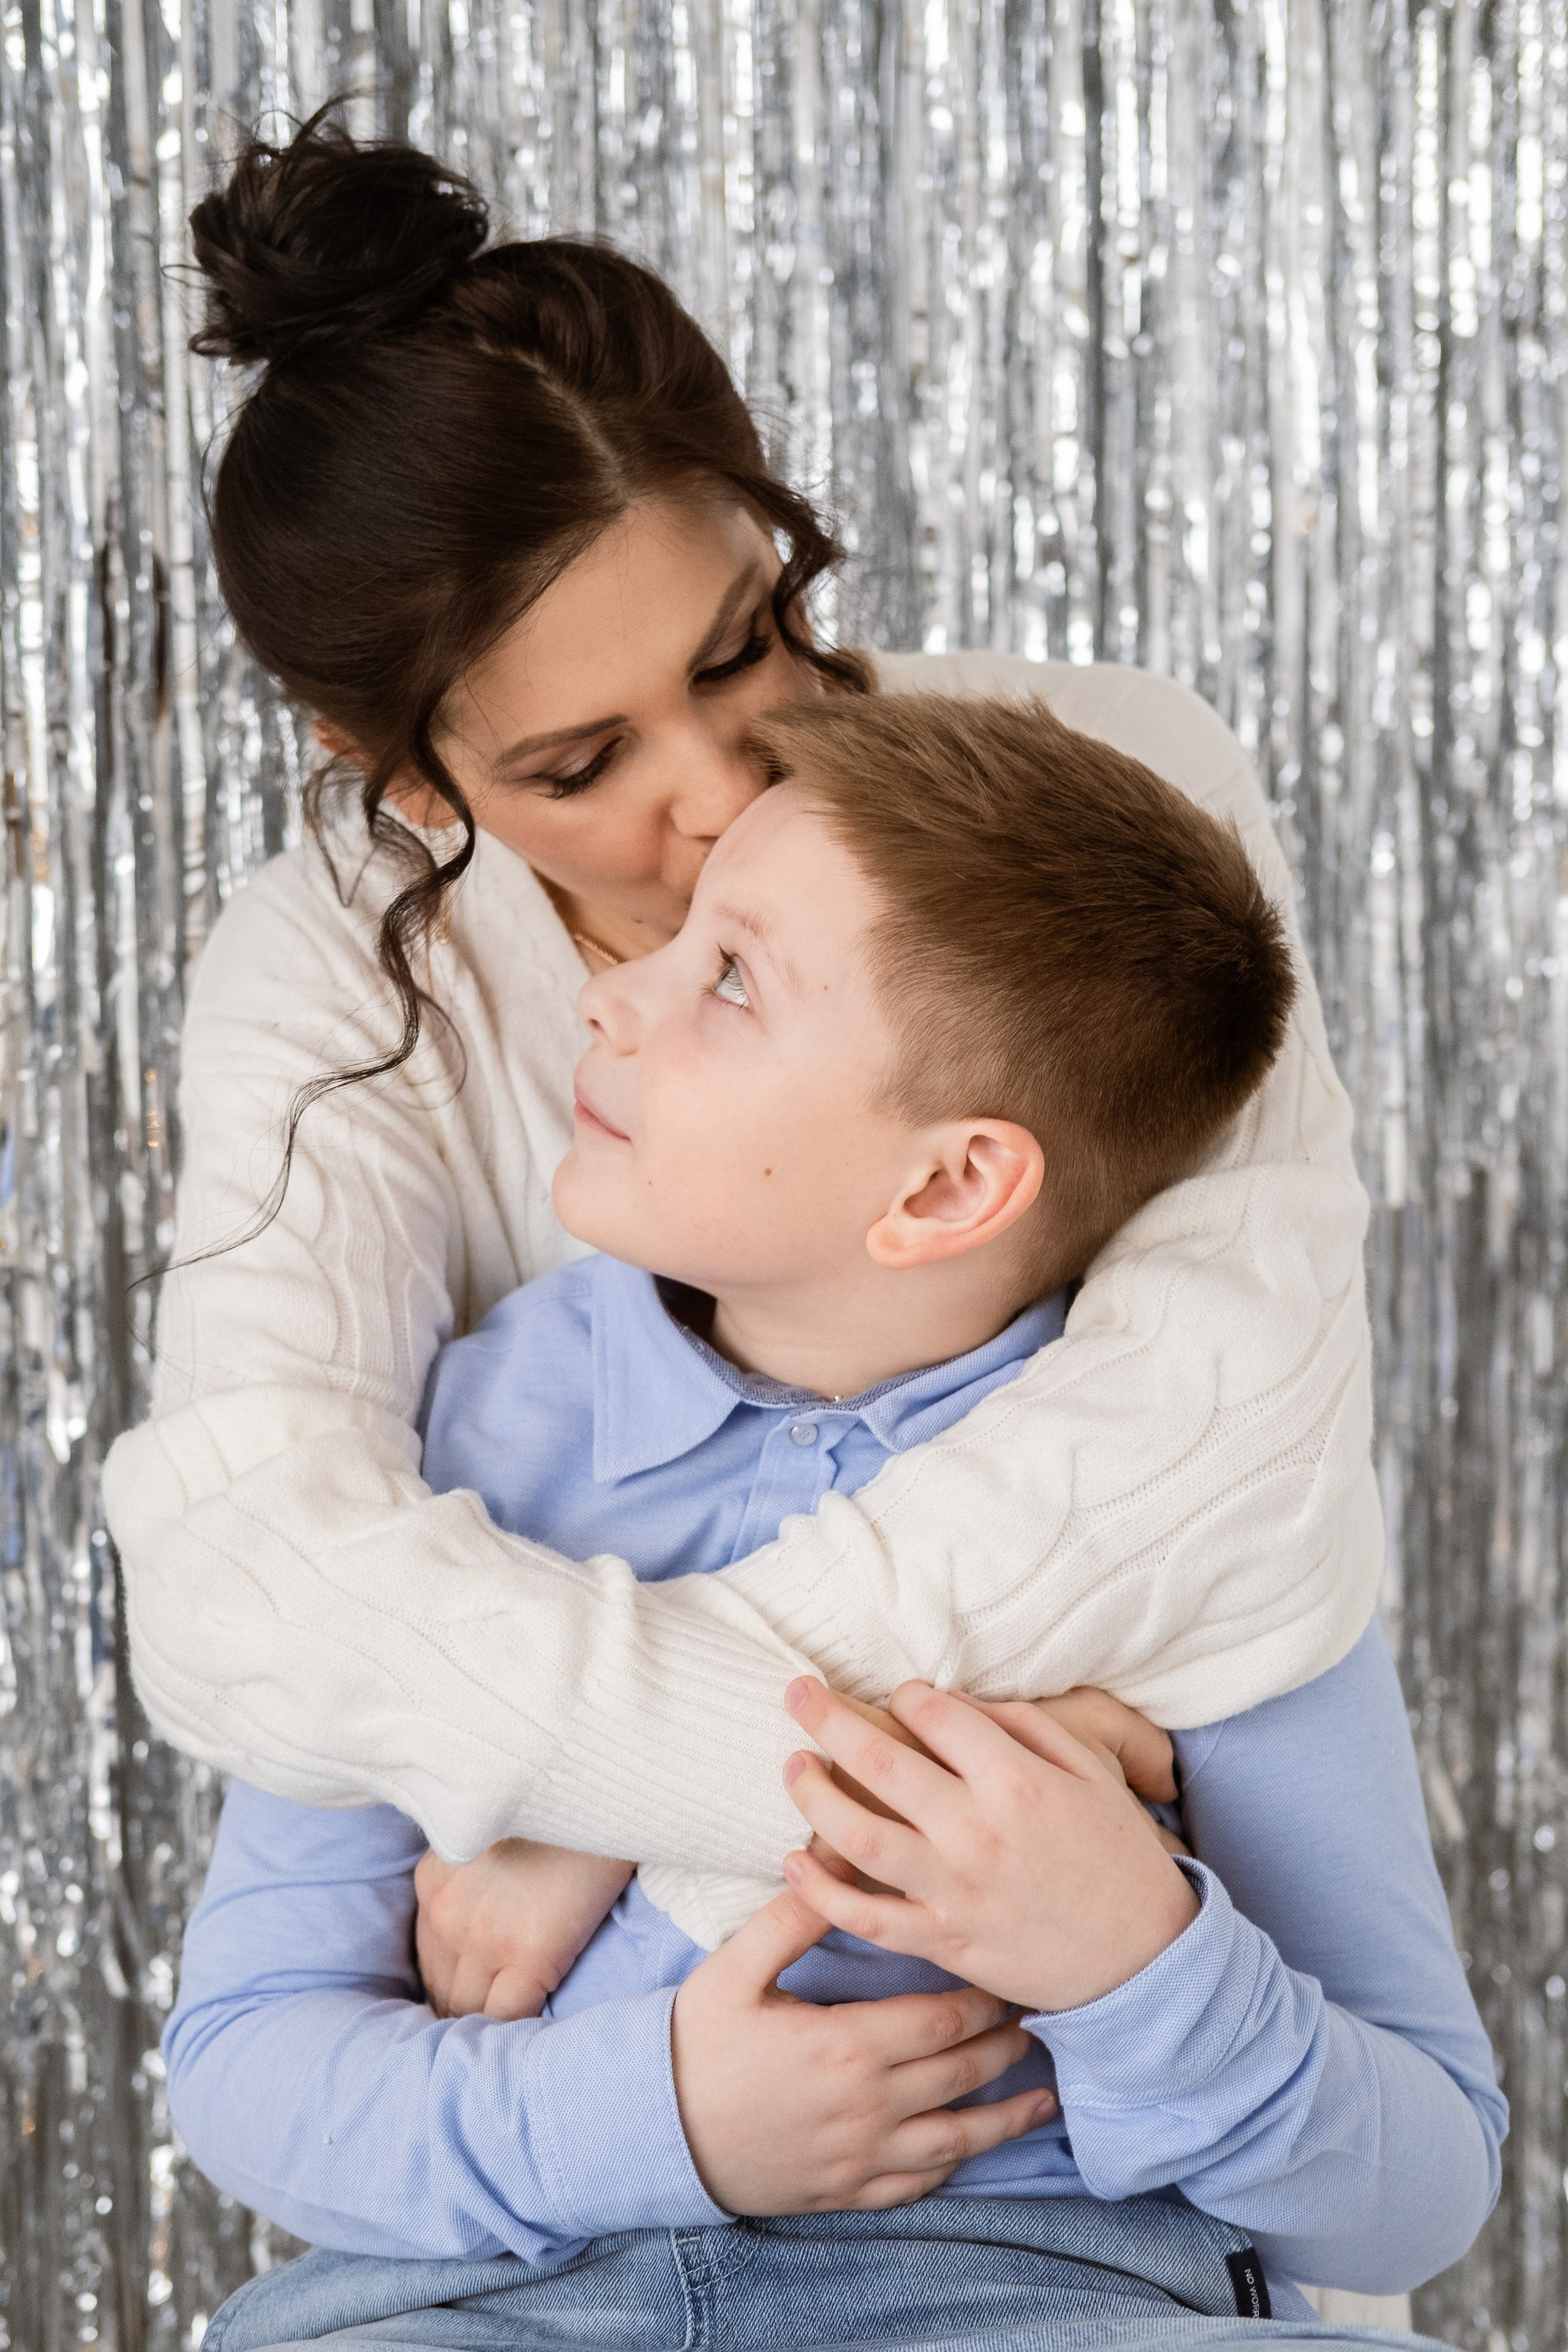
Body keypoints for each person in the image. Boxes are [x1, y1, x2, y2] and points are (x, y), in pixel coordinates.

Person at [104, 113, 1381, 1918]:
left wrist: (596, 1810)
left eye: (743, 643)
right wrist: (822, 1785)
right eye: (577, 764)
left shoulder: (1105, 783)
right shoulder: (326, 982)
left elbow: (1227, 1406)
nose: (726, 786)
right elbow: (247, 1581)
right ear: (390, 771)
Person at [163, 703, 1503, 2350]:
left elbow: (1425, 2187)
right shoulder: (469, 1442)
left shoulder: (1207, 1510)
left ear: (946, 1190)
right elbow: (248, 2062)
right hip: (498, 2303)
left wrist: (1136, 1957)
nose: (611, 989)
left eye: (728, 975)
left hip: (1044, 2296)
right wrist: (658, 2118)